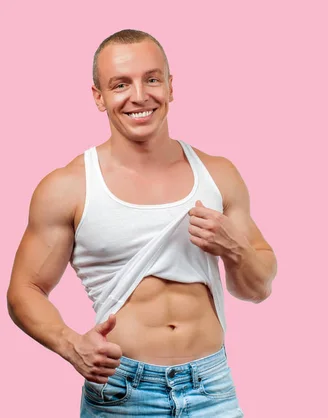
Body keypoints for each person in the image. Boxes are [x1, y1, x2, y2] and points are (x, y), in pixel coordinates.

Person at [6, 29, 277, 417]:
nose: (139, 96)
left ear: (170, 85)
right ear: (99, 96)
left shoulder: (218, 174)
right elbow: (23, 290)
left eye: (152, 79)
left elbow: (258, 288)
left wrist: (235, 250)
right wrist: (69, 344)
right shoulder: (67, 187)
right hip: (122, 391)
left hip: (211, 388)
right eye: (120, 84)